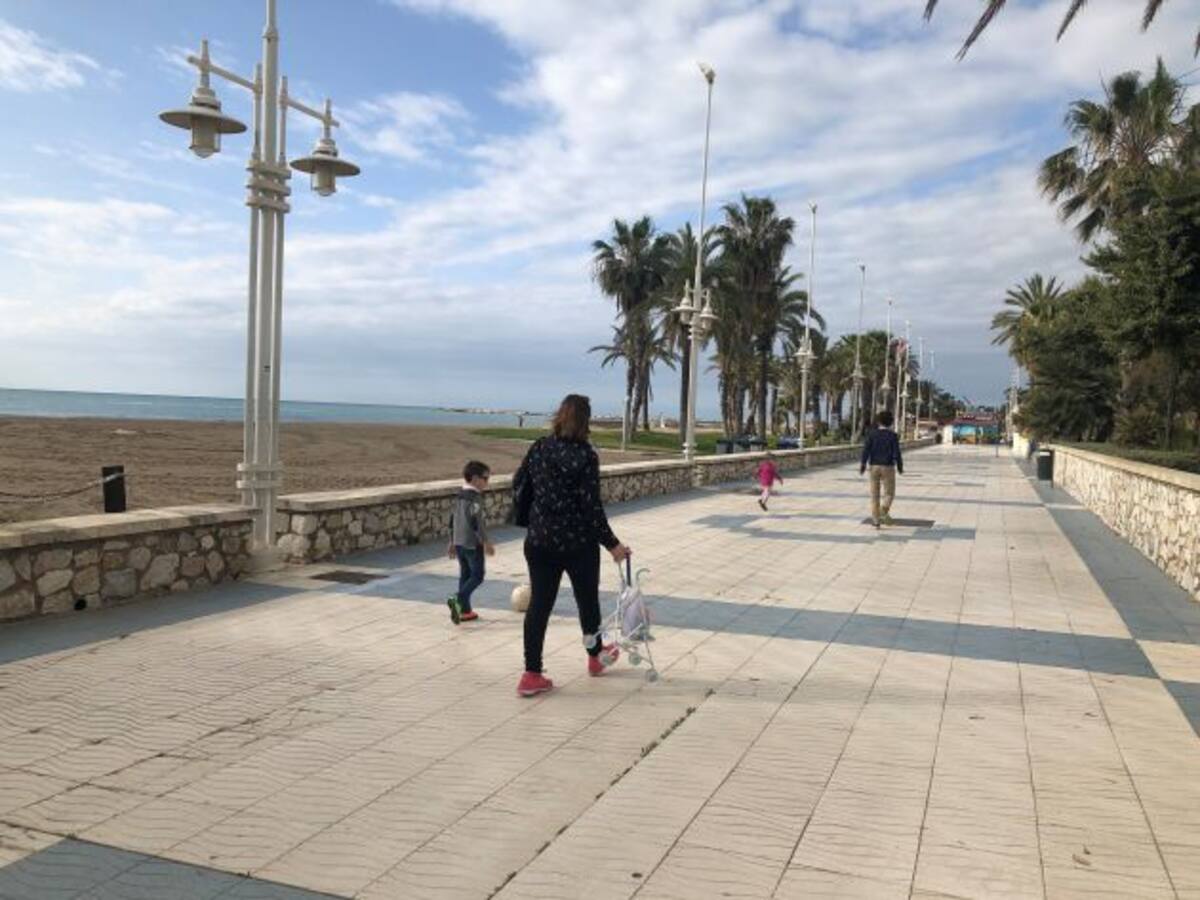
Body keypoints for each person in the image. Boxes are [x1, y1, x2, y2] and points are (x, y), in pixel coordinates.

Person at [512, 394, 631, 697]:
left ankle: (531, 673)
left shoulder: (539, 447)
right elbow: (591, 508)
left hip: (539, 540)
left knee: (539, 605)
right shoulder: (586, 456)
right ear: (586, 421)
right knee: (587, 602)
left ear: (559, 415)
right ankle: (595, 658)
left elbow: (518, 482)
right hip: (577, 543)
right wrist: (613, 545)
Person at [446, 460, 495, 624]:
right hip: (472, 543)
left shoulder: (459, 495)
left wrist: (451, 541)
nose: (487, 482)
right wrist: (486, 541)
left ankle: (465, 611)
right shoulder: (475, 498)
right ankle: (458, 598)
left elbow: (452, 519)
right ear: (475, 478)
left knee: (465, 574)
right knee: (478, 575)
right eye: (485, 478)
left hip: (459, 542)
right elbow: (476, 522)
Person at [860, 410, 904, 528]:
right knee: (889, 493)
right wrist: (900, 466)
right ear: (890, 422)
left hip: (873, 467)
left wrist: (863, 464)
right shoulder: (893, 436)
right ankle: (883, 510)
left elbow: (866, 450)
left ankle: (876, 520)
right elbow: (897, 452)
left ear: (879, 421)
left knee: (874, 495)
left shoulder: (871, 434)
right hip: (888, 467)